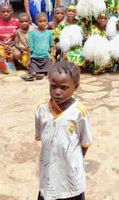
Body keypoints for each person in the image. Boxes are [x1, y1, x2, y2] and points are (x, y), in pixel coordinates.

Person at [35, 61, 92, 200]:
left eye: (64, 87)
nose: (57, 91)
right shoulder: (42, 110)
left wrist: (71, 160)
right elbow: (42, 137)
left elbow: (85, 143)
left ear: (75, 87)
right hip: (48, 173)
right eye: (53, 86)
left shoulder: (79, 113)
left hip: (70, 176)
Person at [24, 12, 54, 81]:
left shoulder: (49, 33)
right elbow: (30, 47)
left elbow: (52, 45)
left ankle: (41, 74)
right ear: (36, 22)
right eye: (40, 21)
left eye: (44, 21)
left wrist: (52, 55)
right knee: (33, 72)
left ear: (47, 21)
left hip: (45, 58)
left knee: (50, 71)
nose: (42, 23)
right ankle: (34, 75)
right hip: (35, 58)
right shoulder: (32, 33)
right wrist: (29, 59)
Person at [0, 4, 20, 74]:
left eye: (8, 11)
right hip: (1, 45)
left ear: (12, 11)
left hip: (13, 45)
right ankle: (3, 66)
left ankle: (13, 61)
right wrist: (3, 45)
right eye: (3, 12)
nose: (5, 13)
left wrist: (15, 44)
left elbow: (21, 35)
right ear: (0, 12)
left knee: (17, 54)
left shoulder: (17, 22)